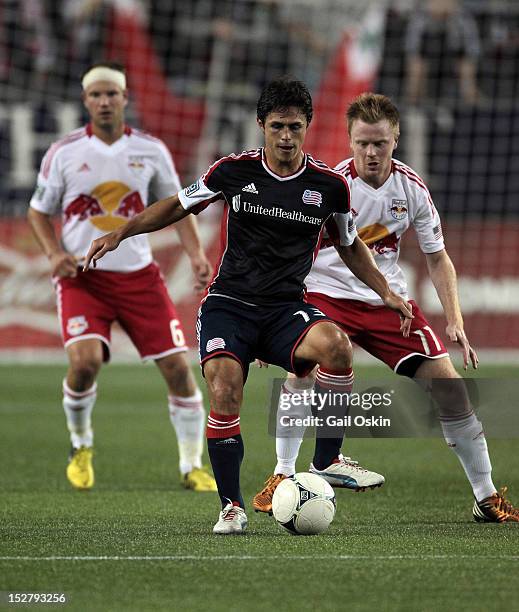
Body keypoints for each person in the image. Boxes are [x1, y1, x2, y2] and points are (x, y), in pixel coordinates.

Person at [83, 77, 413, 534]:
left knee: (336, 346)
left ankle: (328, 460)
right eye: (277, 126)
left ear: (308, 127)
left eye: (295, 127)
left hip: (284, 310)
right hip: (229, 306)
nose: (285, 137)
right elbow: (177, 207)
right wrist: (120, 232)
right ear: (261, 124)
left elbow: (351, 244)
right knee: (224, 389)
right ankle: (231, 507)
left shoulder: (330, 187)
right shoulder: (232, 172)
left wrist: (387, 292)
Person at [253, 92, 519, 524]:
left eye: (380, 143)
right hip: (323, 293)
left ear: (396, 140)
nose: (370, 152)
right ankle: (282, 476)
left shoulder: (411, 188)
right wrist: (274, 319)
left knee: (451, 388)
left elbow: (438, 257)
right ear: (349, 141)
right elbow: (286, 250)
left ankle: (486, 497)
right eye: (362, 143)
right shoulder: (330, 185)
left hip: (386, 302)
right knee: (300, 372)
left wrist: (454, 317)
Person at [27, 61, 217, 493]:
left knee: (177, 368)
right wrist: (55, 253)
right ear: (85, 101)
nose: (105, 101)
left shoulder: (151, 151)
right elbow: (37, 212)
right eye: (96, 95)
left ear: (125, 99)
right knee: (85, 363)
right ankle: (81, 446)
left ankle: (192, 465)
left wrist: (196, 254)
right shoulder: (64, 152)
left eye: (112, 93)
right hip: (83, 279)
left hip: (139, 279)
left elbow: (182, 205)